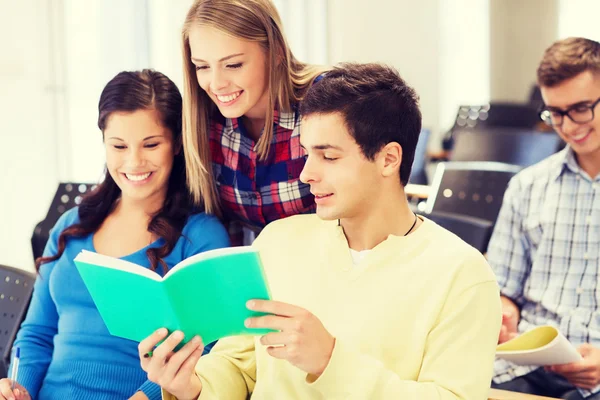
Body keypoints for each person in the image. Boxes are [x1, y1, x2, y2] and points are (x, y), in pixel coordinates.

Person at [138, 62, 502, 400]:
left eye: (328, 156)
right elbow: (238, 366)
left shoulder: (463, 275)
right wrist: (192, 384)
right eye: (307, 153)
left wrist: (330, 360)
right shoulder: (278, 242)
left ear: (389, 159)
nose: (306, 174)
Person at [0, 70, 229, 400]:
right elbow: (36, 333)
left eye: (151, 144)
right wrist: (18, 388)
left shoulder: (200, 237)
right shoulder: (71, 225)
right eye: (119, 146)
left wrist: (147, 396)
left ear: (177, 143)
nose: (134, 161)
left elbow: (207, 348)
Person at [490, 37, 600, 400]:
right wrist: (503, 312)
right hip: (530, 362)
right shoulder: (527, 186)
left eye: (581, 108)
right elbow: (505, 287)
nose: (568, 126)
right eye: (555, 112)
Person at [179, 0, 328, 245]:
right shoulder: (203, 118)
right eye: (202, 66)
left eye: (233, 65)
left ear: (276, 51)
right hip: (250, 274)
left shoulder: (327, 103)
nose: (216, 84)